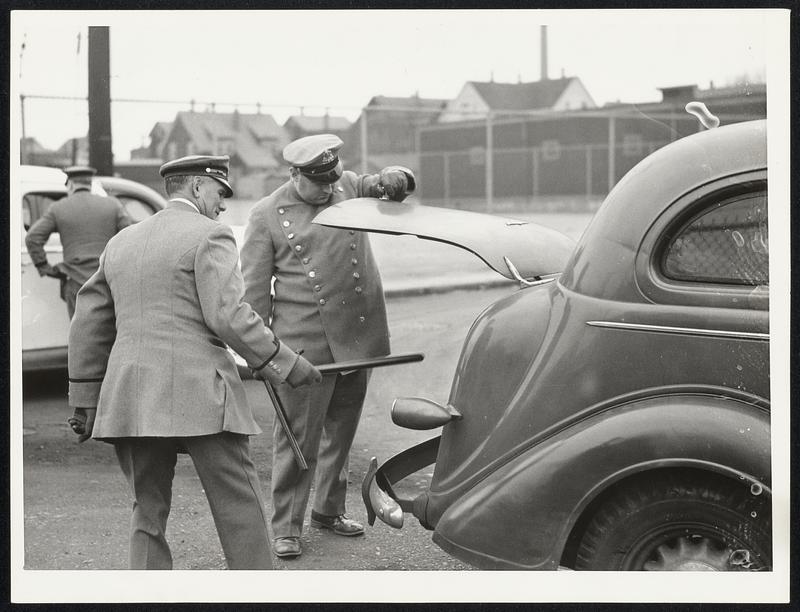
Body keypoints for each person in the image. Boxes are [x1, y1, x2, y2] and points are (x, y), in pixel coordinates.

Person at [66, 155, 322, 570]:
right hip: (202, 395)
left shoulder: (121, 242)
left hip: (131, 398)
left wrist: (86, 399)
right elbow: (229, 315)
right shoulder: (211, 235)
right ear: (199, 187)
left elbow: (88, 321)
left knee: (147, 513)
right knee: (239, 507)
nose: (222, 205)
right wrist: (286, 363)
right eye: (220, 193)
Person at [241, 134, 415, 558]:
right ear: (294, 174)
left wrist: (399, 177)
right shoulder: (266, 215)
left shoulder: (349, 187)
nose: (327, 190)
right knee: (298, 439)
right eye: (317, 182)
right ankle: (286, 525)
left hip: (358, 336)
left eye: (331, 180)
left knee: (342, 431)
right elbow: (254, 294)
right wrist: (262, 355)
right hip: (304, 347)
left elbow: (394, 187)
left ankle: (328, 509)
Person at [25, 165, 133, 319]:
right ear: (89, 183)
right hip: (107, 280)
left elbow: (32, 238)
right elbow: (129, 237)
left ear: (71, 184)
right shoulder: (113, 205)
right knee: (109, 333)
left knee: (79, 335)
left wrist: (44, 267)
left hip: (75, 281)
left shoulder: (58, 208)